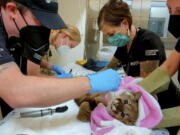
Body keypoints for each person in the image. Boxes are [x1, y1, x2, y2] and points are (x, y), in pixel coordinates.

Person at [0, 0, 121, 118]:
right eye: (39, 20)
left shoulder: (17, 32)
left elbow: (24, 56)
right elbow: (16, 91)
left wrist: (50, 66)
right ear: (12, 10)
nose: (45, 30)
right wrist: (88, 82)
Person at [140, 0, 180, 134]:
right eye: (169, 10)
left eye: (179, 11)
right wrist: (135, 91)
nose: (174, 16)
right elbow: (168, 67)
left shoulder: (149, 39)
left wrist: (154, 119)